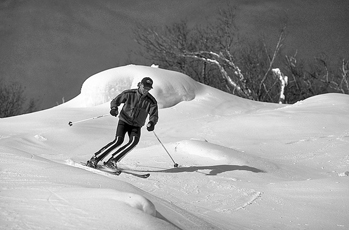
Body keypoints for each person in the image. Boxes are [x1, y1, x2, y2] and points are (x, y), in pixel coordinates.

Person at [86, 77, 158, 170]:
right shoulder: (129, 94)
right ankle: (95, 159)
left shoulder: (151, 101)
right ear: (140, 85)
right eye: (145, 87)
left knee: (133, 142)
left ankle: (112, 161)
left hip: (136, 125)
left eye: (148, 89)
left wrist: (151, 123)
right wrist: (114, 108)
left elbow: (154, 115)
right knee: (118, 141)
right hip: (124, 121)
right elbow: (115, 101)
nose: (146, 90)